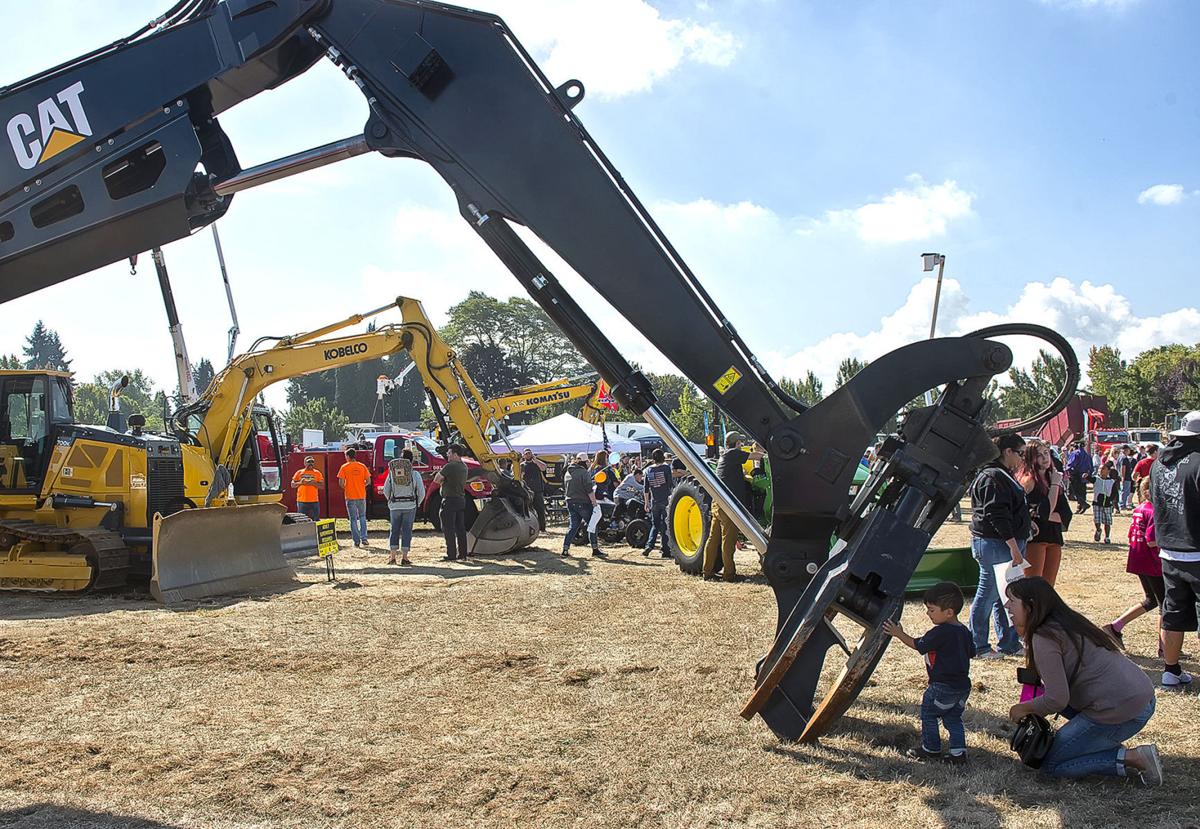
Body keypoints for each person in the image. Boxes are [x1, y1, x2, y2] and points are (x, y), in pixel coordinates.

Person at [1004, 578, 1160, 785]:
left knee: (1050, 764)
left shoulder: (1044, 637)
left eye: (1011, 601)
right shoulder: (1068, 622)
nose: (1007, 606)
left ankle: (1133, 758)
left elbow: (1057, 699)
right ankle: (1099, 744)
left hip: (1122, 710)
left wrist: (1022, 708)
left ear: (1031, 606)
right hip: (1139, 697)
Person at [883, 582, 974, 763]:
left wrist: (898, 633)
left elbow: (919, 645)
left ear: (949, 612)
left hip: (941, 685)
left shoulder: (940, 632)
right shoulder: (964, 631)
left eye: (931, 610)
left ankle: (931, 748)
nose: (927, 613)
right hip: (962, 686)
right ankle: (958, 753)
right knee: (953, 718)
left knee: (929, 714)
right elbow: (972, 652)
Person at [1150, 410, 1200, 688]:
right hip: (1196, 547)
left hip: (1169, 549)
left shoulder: (1160, 463)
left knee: (1173, 611)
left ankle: (1170, 670)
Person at [968, 433, 1029, 660]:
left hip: (1002, 543)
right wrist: (1013, 545)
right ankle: (978, 644)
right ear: (1007, 452)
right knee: (988, 593)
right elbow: (996, 514)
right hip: (995, 544)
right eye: (1020, 454)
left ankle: (1009, 642)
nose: (1022, 459)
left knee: (1006, 594)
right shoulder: (993, 477)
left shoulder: (1002, 475)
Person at [1105, 478, 1163, 653]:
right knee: (1165, 604)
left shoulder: (1139, 509)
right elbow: (1152, 540)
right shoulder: (1154, 511)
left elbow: (1132, 533)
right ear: (1147, 492)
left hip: (1138, 559)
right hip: (1151, 562)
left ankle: (1116, 626)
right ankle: (1165, 647)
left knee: (1152, 600)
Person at [702, 432, 762, 583]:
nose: (741, 445)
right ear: (737, 444)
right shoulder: (734, 453)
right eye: (741, 443)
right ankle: (729, 575)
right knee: (728, 540)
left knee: (713, 538)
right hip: (728, 505)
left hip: (717, 502)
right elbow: (756, 457)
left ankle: (707, 571)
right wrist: (766, 451)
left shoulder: (725, 455)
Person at [1017, 440, 1066, 585]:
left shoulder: (1052, 477)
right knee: (1033, 584)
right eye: (1039, 455)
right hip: (1036, 538)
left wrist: (1042, 514)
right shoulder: (1028, 481)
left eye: (1046, 453)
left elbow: (1064, 514)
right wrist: (1055, 484)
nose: (1045, 458)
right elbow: (1046, 510)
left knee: (1048, 586)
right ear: (1030, 458)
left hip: (1054, 536)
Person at [382, 449, 424, 565]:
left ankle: (392, 557)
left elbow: (386, 490)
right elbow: (421, 491)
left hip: (395, 505)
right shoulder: (414, 474)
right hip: (410, 505)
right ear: (411, 461)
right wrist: (417, 503)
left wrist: (390, 501)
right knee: (407, 531)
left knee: (394, 530)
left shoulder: (392, 473)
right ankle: (405, 557)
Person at [562, 452, 603, 557]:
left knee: (573, 527)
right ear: (584, 462)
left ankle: (565, 549)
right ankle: (595, 549)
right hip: (583, 503)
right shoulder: (583, 472)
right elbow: (589, 490)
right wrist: (594, 504)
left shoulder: (568, 472)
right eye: (587, 461)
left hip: (570, 502)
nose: (589, 463)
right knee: (592, 525)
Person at [434, 444, 469, 561]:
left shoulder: (450, 466)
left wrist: (443, 481)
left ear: (455, 454)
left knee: (448, 529)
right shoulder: (464, 466)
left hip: (449, 500)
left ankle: (451, 554)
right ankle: (463, 553)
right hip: (460, 499)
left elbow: (436, 479)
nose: (447, 456)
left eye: (449, 453)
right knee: (460, 528)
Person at [641, 449, 673, 558]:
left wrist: (646, 503)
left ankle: (649, 546)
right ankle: (665, 550)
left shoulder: (648, 470)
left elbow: (645, 489)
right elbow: (670, 485)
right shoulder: (666, 468)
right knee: (664, 526)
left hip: (654, 501)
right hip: (665, 500)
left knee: (655, 525)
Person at [337, 448, 371, 548]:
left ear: (348, 456)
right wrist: (361, 486)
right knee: (362, 517)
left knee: (353, 519)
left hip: (350, 496)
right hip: (361, 495)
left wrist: (347, 487)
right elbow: (368, 481)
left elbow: (341, 483)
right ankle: (364, 538)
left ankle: (356, 541)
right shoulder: (362, 466)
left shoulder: (344, 467)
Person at [520, 448, 548, 531]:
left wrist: (536, 460)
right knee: (528, 510)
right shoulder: (522, 465)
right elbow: (518, 476)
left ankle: (542, 528)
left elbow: (544, 468)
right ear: (524, 455)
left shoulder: (536, 463)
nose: (528, 455)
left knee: (540, 510)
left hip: (538, 490)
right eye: (526, 454)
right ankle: (530, 527)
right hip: (527, 491)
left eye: (529, 453)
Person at [290, 456, 323, 520]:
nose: (311, 463)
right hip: (302, 501)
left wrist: (313, 483)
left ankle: (315, 530)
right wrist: (301, 483)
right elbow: (292, 485)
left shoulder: (317, 473)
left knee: (316, 519)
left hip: (314, 501)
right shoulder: (299, 472)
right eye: (309, 462)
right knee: (301, 519)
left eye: (312, 462)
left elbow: (322, 486)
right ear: (304, 463)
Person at [1065, 441, 1094, 514]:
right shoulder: (1087, 455)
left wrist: (1067, 470)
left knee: (1075, 492)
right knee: (1082, 492)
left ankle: (1083, 504)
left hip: (1075, 475)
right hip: (1084, 476)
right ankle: (1080, 507)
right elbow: (1091, 467)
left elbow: (1071, 464)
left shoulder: (1075, 453)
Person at [1092, 462, 1117, 543]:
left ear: (1108, 471)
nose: (1101, 470)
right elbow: (1090, 479)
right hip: (1097, 503)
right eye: (1100, 469)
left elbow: (1114, 492)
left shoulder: (1111, 482)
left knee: (1107, 521)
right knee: (1097, 520)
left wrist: (1111, 500)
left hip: (1107, 504)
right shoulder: (1096, 479)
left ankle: (1107, 537)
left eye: (1103, 469)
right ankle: (1098, 530)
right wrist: (1086, 476)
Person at [1118, 446, 1136, 510]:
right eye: (1128, 450)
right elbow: (1123, 468)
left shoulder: (1120, 457)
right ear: (1126, 450)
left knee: (1124, 491)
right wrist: (1123, 477)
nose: (1129, 451)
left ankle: (1122, 504)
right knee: (1125, 491)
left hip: (1125, 477)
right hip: (1126, 477)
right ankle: (1122, 505)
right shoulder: (1124, 458)